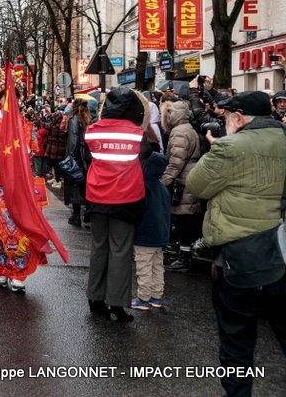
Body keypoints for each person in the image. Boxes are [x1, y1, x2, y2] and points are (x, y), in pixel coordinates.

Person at [186, 91, 286, 397]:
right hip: (281, 251)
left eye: (227, 117)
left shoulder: (230, 147)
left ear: (239, 118)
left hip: (240, 256)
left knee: (237, 339)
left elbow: (196, 185)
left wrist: (218, 148)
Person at [0, 79, 47, 294]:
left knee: (21, 224)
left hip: (20, 180)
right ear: (0, 99)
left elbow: (33, 149)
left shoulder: (26, 123)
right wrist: (2, 158)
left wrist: (20, 156)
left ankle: (18, 273)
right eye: (8, 97)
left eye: (16, 98)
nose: (11, 102)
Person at [85, 87, 150, 323]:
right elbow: (146, 153)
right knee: (121, 250)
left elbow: (89, 156)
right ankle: (117, 303)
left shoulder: (92, 131)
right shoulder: (136, 134)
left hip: (96, 195)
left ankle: (95, 298)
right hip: (125, 197)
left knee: (99, 247)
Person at [160, 99, 202, 272]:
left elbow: (176, 162)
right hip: (191, 178)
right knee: (186, 220)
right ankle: (185, 255)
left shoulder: (178, 132)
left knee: (183, 220)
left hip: (183, 181)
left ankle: (184, 258)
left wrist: (164, 181)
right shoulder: (189, 129)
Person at [131, 152, 171, 311]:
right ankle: (156, 296)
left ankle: (143, 298)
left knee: (144, 267)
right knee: (157, 266)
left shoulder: (143, 187)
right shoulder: (163, 188)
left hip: (145, 235)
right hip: (160, 235)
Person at [64, 98, 91, 227]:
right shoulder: (89, 119)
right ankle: (87, 213)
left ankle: (76, 215)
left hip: (78, 157)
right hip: (87, 157)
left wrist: (69, 158)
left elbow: (73, 140)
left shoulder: (74, 119)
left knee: (75, 185)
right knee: (85, 185)